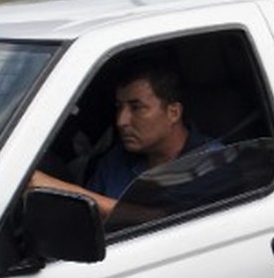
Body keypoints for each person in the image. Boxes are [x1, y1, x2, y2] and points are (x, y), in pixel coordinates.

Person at [28, 61, 215, 219]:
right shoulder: (116, 161)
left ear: (173, 112)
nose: (121, 121)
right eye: (119, 107)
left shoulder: (213, 162)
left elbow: (166, 221)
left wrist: (57, 187)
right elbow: (86, 219)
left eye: (137, 108)